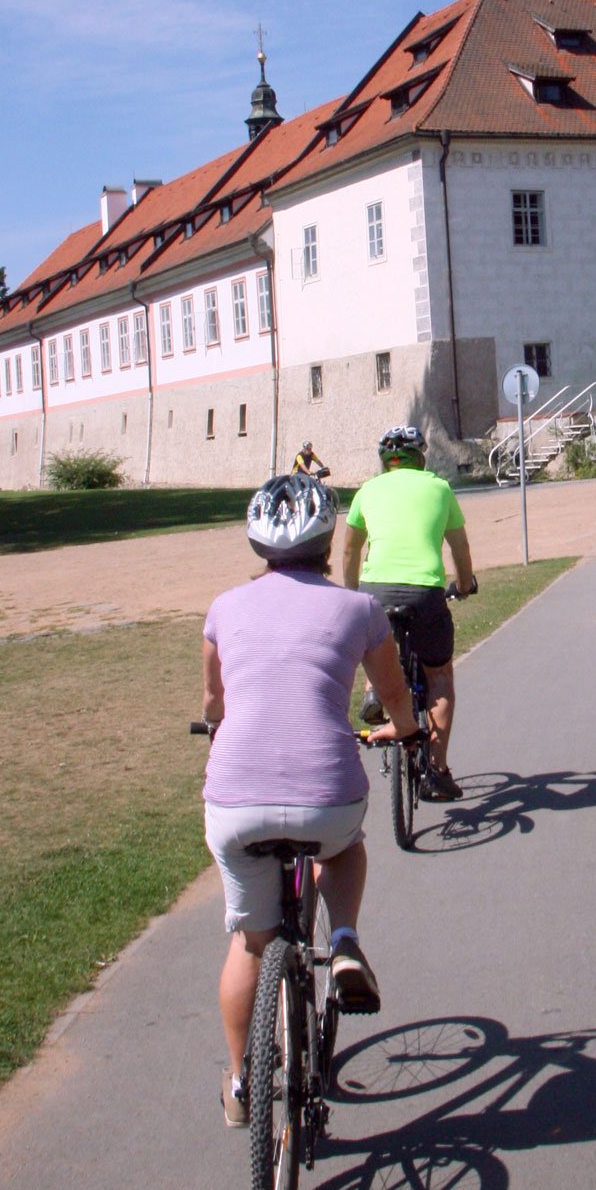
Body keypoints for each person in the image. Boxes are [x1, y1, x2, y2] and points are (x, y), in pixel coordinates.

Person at [201, 473, 420, 1129]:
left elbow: (215, 705)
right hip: (326, 792)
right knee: (344, 846)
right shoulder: (358, 610)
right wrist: (405, 729)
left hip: (236, 800)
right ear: (328, 540)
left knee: (250, 942)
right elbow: (393, 693)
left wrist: (220, 730)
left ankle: (242, 1085)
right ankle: (345, 939)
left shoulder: (223, 609)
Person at [343, 424, 477, 802]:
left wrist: (352, 591)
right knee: (440, 678)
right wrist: (464, 585)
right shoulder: (438, 487)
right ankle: (437, 771)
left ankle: (373, 691)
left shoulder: (367, 490)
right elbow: (460, 547)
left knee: (377, 647)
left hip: (374, 592)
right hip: (424, 593)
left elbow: (351, 549)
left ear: (386, 462)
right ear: (422, 458)